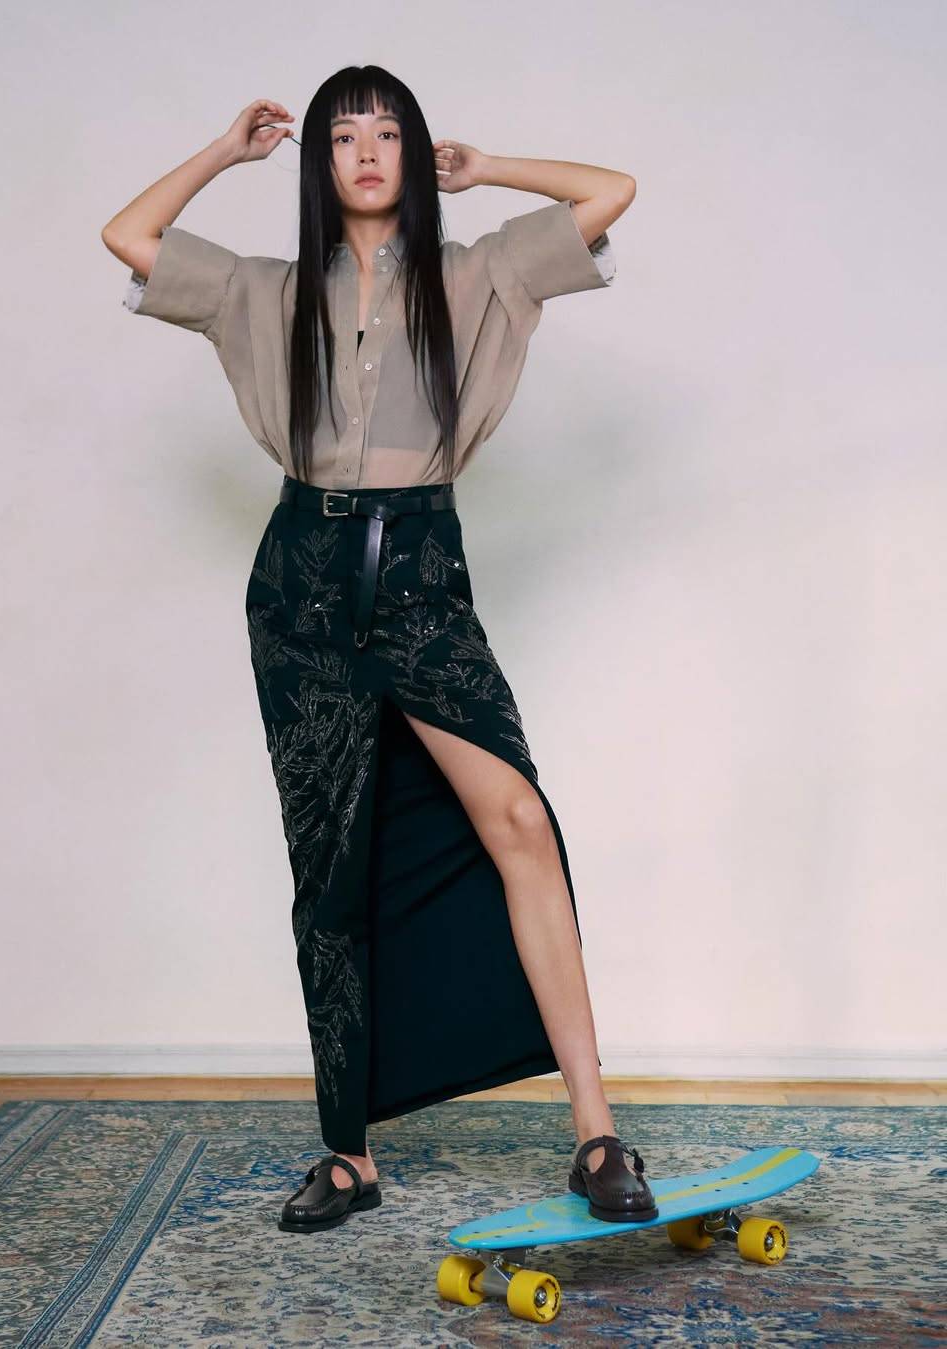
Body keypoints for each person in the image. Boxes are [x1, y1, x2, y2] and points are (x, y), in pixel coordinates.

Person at [102, 64, 657, 1234]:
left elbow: (612, 190)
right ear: (318, 161)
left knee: (517, 818)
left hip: (422, 576)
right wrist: (224, 152)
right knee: (332, 871)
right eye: (344, 135)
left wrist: (488, 167)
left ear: (415, 153)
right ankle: (348, 1152)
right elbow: (128, 235)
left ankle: (598, 1131)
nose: (367, 151)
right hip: (301, 586)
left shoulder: (478, 272)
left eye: (389, 132)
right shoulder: (263, 290)